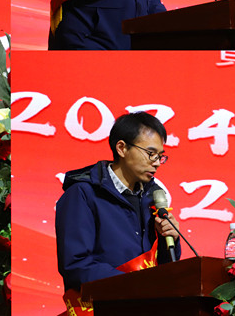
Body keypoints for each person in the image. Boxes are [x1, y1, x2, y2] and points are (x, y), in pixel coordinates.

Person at [55, 112, 180, 298]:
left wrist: (170, 240)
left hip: (146, 305)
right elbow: (76, 264)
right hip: (102, 305)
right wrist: (133, 286)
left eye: (160, 156)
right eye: (151, 154)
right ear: (122, 148)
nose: (157, 163)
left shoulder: (152, 198)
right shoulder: (84, 193)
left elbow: (164, 268)